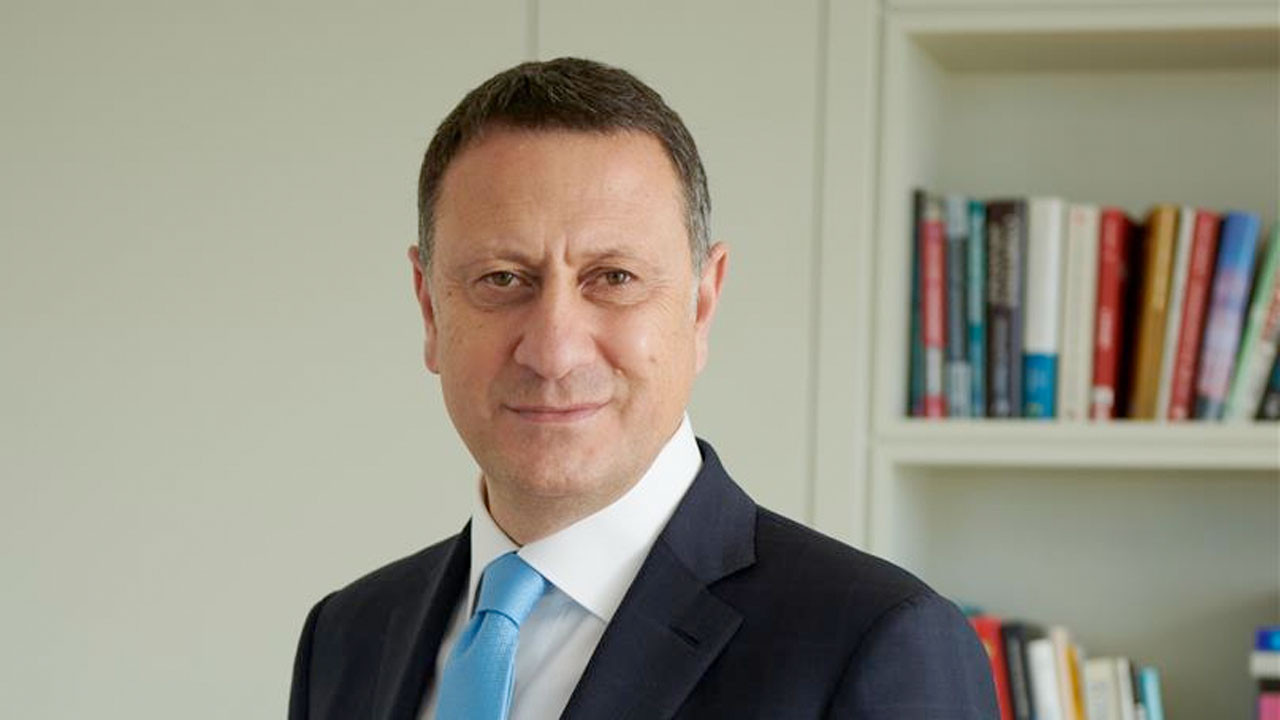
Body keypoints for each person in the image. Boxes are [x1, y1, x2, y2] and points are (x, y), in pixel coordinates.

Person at [288, 57, 997, 720]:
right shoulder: (346, 636)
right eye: (502, 279)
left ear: (701, 304)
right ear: (429, 309)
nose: (554, 352)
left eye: (614, 278)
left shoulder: (875, 644)